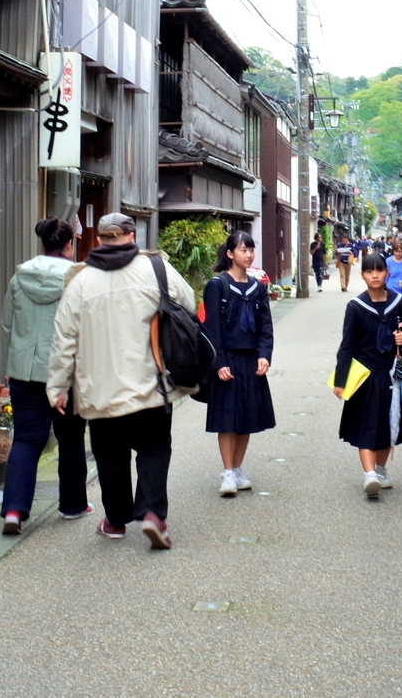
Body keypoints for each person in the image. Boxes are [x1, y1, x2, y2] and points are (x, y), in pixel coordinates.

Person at [47, 212, 195, 550]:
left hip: (99, 391)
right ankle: (153, 514)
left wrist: (57, 387)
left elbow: (64, 339)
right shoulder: (156, 268)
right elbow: (187, 302)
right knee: (154, 448)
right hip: (151, 384)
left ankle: (115, 522)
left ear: (98, 239)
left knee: (110, 455)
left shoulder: (79, 281)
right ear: (131, 236)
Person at [0, 218, 89, 535]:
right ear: (69, 245)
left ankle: (13, 510)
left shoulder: (19, 276)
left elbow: (7, 326)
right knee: (71, 437)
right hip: (67, 374)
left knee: (25, 439)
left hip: (24, 371)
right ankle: (73, 505)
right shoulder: (77, 278)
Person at [333, 253, 402, 497]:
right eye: (370, 271)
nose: (375, 275)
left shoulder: (399, 302)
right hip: (364, 375)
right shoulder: (356, 307)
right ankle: (369, 474)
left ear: (387, 273)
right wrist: (340, 381)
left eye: (379, 270)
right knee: (366, 426)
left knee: (387, 425)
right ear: (363, 276)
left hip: (390, 373)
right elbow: (347, 345)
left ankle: (380, 468)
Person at [203, 231, 276, 496]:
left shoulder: (258, 287)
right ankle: (227, 472)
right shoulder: (217, 285)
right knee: (228, 419)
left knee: (247, 418)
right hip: (227, 359)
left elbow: (265, 326)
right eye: (243, 250)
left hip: (250, 359)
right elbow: (211, 328)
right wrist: (218, 362)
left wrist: (264, 355)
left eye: (251, 250)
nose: (249, 255)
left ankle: (238, 467)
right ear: (230, 254)